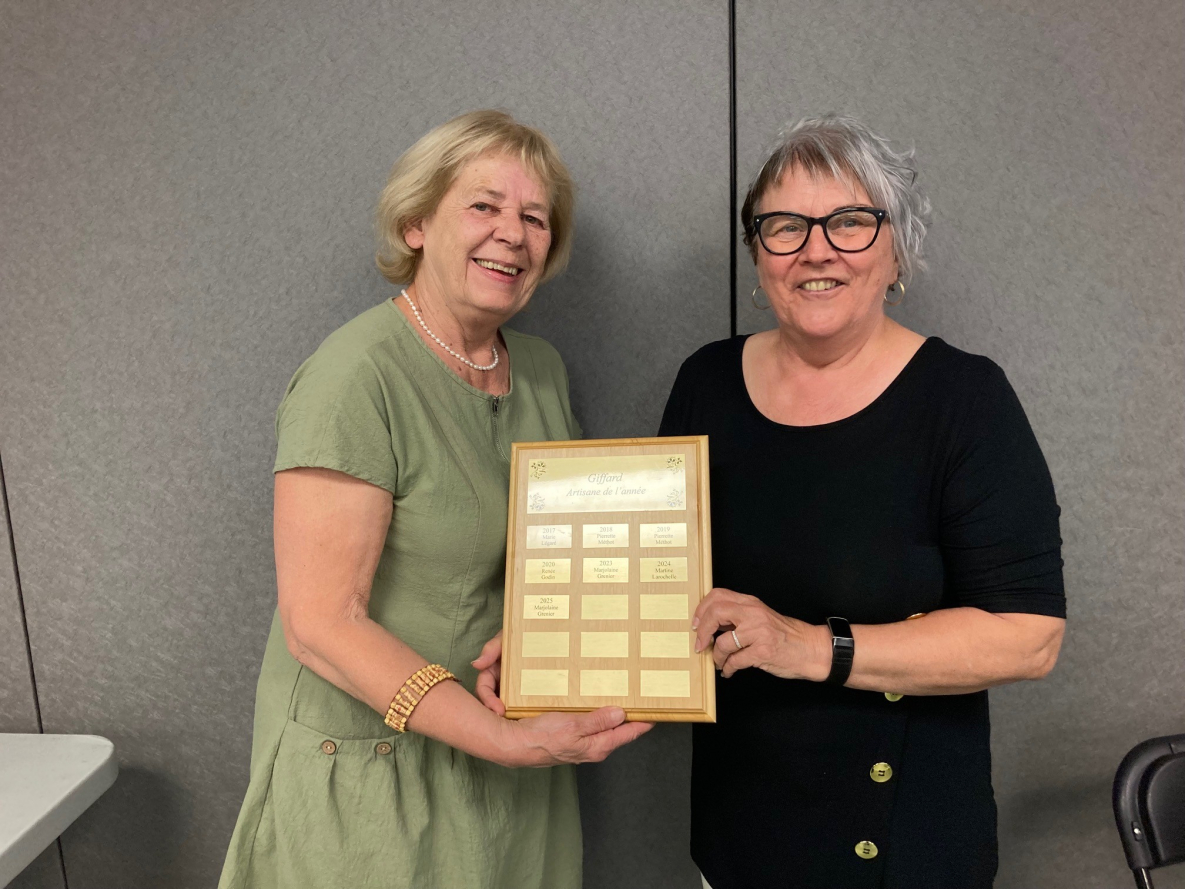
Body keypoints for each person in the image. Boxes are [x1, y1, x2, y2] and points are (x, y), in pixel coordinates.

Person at [218, 110, 650, 889]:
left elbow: (551, 558)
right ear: (415, 223)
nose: (512, 234)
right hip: (375, 779)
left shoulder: (541, 370)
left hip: (511, 774)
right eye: (484, 205)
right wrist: (501, 737)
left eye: (534, 217)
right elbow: (321, 625)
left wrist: (540, 633)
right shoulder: (355, 376)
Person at [659, 115, 1066, 889]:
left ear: (896, 249)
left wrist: (812, 646)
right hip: (735, 836)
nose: (815, 249)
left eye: (849, 221)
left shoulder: (963, 399)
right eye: (785, 225)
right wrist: (555, 655)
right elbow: (657, 589)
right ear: (757, 251)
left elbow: (1028, 637)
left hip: (902, 848)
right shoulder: (703, 382)